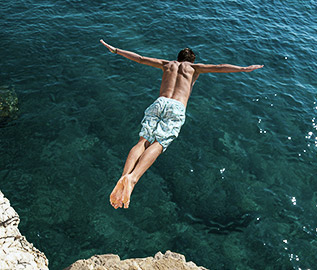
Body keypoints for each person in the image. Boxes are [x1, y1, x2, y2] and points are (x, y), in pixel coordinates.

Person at [100, 40, 263, 209]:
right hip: (177, 107)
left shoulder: (167, 64)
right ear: (191, 60)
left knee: (142, 141)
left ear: (177, 58)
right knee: (159, 143)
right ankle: (132, 180)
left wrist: (116, 50)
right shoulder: (194, 68)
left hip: (160, 102)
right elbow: (221, 66)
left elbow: (140, 58)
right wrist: (244, 69)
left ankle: (124, 175)